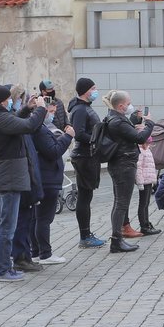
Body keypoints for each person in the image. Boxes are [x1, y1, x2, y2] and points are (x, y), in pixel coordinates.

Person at [0, 87, 47, 282]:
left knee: (5, 226)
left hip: (4, 177)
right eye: (8, 100)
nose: (10, 102)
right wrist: (40, 109)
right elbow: (29, 126)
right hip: (9, 178)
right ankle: (2, 270)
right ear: (2, 101)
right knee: (7, 227)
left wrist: (26, 109)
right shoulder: (0, 118)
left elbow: (17, 122)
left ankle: (5, 268)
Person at [101, 90, 154, 253]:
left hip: (121, 163)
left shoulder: (114, 118)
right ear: (121, 105)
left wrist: (134, 121)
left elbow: (127, 132)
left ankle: (117, 239)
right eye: (129, 103)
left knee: (119, 202)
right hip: (123, 164)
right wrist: (149, 123)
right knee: (121, 203)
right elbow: (138, 138)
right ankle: (116, 240)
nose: (131, 105)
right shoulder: (117, 121)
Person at [29, 106, 75, 265]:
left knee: (36, 218)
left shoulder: (36, 128)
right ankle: (45, 254)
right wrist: (68, 137)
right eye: (51, 111)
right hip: (47, 179)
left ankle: (35, 252)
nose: (54, 114)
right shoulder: (39, 130)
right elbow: (53, 151)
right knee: (43, 218)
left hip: (45, 178)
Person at [68, 77, 106, 249]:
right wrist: (95, 139)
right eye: (93, 88)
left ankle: (87, 233)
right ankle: (84, 235)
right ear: (85, 90)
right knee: (84, 196)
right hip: (84, 157)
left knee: (87, 196)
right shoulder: (80, 109)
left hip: (89, 155)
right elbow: (78, 133)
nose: (95, 91)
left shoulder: (85, 107)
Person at [134, 137, 160, 237]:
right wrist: (140, 182)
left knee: (146, 203)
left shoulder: (147, 149)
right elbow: (138, 167)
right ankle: (144, 225)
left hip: (149, 179)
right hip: (144, 180)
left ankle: (147, 223)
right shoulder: (140, 151)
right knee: (143, 203)